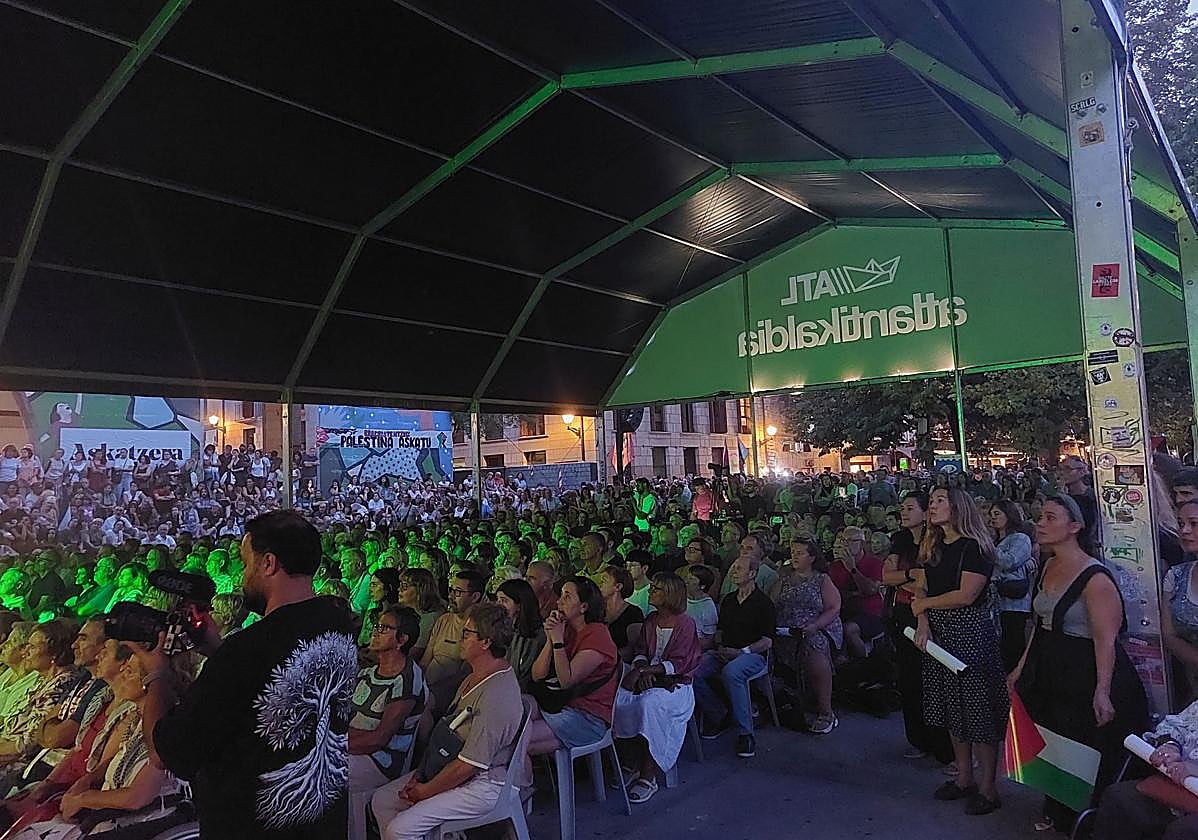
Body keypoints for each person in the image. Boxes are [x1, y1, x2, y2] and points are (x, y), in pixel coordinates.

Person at [136, 509, 359, 839]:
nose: (243, 577)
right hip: (322, 821)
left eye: (246, 563)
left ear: (268, 564)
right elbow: (272, 673)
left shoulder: (246, 650)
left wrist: (156, 673)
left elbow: (168, 752)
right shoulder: (339, 623)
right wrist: (217, 648)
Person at [1010, 494, 1149, 833]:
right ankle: (1057, 808)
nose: (1040, 523)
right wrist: (1019, 669)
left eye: (1050, 517)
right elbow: (1039, 625)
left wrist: (1103, 690)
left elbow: (1106, 638)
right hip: (1052, 670)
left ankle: (1087, 817)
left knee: (1085, 747)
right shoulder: (1047, 565)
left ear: (1075, 526)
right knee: (1055, 741)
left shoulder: (1095, 578)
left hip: (1085, 672)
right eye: (1040, 516)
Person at [370, 602, 524, 840]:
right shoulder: (474, 676)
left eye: (466, 633)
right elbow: (446, 732)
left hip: (485, 784)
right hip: (452, 764)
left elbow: (470, 765)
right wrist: (420, 775)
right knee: (382, 801)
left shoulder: (496, 695)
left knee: (400, 830)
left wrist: (425, 791)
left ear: (485, 642)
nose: (460, 639)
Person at [8, 655, 185, 840]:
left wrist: (83, 799)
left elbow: (136, 797)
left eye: (130, 671)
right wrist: (86, 781)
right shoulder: (135, 718)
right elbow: (109, 762)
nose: (122, 673)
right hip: (106, 817)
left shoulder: (167, 727)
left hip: (140, 822)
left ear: (150, 682)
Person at [910, 487, 1008, 816]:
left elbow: (966, 594)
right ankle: (964, 777)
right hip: (938, 631)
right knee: (953, 708)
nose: (933, 506)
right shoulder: (932, 544)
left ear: (957, 507)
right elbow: (919, 585)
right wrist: (923, 620)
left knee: (978, 711)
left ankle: (988, 787)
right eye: (932, 500)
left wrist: (924, 605)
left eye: (939, 500)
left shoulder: (975, 547)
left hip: (969, 632)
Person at [612, 572, 702, 803]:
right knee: (619, 699)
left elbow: (682, 662)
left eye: (657, 589)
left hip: (676, 686)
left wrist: (645, 672)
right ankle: (630, 759)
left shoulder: (686, 623)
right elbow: (641, 650)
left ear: (671, 594)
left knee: (650, 704)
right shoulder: (651, 620)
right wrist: (641, 667)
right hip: (649, 677)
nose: (651, 591)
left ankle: (648, 773)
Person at [348, 606, 425, 840]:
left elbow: (379, 739)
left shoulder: (406, 680)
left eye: (384, 628)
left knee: (323, 774)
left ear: (402, 639)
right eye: (376, 626)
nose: (375, 631)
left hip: (382, 761)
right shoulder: (367, 672)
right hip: (353, 747)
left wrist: (333, 743)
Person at [694, 554, 775, 759]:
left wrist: (741, 652)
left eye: (739, 569)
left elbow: (767, 641)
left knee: (732, 672)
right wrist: (721, 647)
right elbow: (720, 630)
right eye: (733, 568)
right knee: (692, 669)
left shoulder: (763, 603)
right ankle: (718, 712)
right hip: (725, 651)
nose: (733, 572)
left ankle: (745, 733)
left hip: (753, 655)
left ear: (752, 574)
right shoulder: (729, 600)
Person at [528, 577, 619, 755]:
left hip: (587, 718)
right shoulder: (566, 629)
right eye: (561, 595)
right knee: (522, 706)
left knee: (517, 739)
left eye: (567, 597)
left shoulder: (597, 635)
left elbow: (566, 681)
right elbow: (537, 675)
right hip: (559, 704)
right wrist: (550, 638)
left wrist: (558, 641)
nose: (558, 601)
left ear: (584, 607)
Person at [768, 539, 841, 734]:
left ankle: (826, 711)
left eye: (800, 553)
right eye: (793, 552)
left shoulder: (821, 579)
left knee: (814, 650)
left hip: (816, 627)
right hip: (785, 630)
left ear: (812, 557)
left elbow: (834, 607)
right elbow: (771, 605)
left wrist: (815, 625)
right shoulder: (783, 580)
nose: (795, 556)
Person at [420, 570, 483, 719]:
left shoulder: (478, 629)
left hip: (450, 691)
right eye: (451, 590)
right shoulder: (444, 620)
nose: (451, 596)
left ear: (475, 597)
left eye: (458, 592)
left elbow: (465, 674)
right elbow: (425, 659)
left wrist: (431, 691)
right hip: (427, 685)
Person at [989, 499, 1035, 673]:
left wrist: (987, 544)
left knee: (1012, 648)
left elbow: (1009, 561)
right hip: (996, 604)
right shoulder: (994, 541)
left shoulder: (1020, 538)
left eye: (997, 514)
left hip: (1014, 604)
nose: (993, 518)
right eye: (991, 514)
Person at [1164, 499, 1198, 705]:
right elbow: (1169, 634)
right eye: (1180, 523)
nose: (1184, 530)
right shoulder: (1176, 576)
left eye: (1194, 523)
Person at [495, 578, 545, 692]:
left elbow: (522, 674)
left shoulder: (536, 636)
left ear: (519, 605)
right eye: (497, 600)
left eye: (504, 600)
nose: (498, 605)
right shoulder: (503, 628)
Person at [396, 568, 444, 661]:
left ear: (420, 589)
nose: (399, 589)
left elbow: (414, 654)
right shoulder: (402, 612)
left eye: (405, 586)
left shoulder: (431, 618)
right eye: (400, 585)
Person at [598, 565, 644, 659]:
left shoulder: (633, 613)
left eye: (604, 581)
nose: (599, 584)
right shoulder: (596, 611)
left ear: (618, 587)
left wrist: (608, 659)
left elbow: (634, 648)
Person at [358, 568, 402, 647]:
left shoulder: (398, 617)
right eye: (370, 585)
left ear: (388, 587)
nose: (370, 590)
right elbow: (360, 641)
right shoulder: (370, 614)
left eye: (374, 585)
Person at [681, 564, 718, 648]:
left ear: (702, 586)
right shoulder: (680, 599)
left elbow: (709, 638)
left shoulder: (708, 606)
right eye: (687, 577)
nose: (686, 581)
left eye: (691, 579)